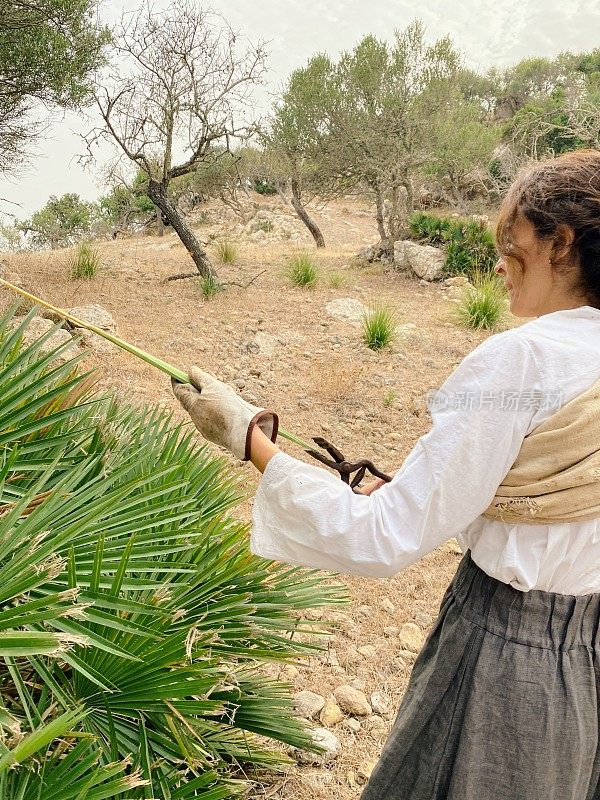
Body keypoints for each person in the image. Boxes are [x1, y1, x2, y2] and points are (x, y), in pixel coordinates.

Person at [172, 149, 600, 800]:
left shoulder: (521, 362)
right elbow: (542, 503)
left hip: (503, 665)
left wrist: (245, 436)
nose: (496, 264)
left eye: (511, 245)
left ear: (560, 244)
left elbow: (382, 538)